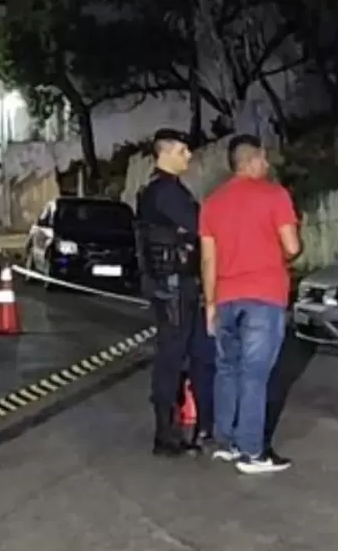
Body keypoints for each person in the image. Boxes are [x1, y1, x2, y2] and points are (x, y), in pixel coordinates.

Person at [200, 134, 301, 475]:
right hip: (264, 295)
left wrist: (210, 303)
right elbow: (292, 247)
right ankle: (252, 451)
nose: (268, 164)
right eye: (264, 158)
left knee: (227, 369)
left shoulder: (212, 203)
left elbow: (208, 260)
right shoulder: (275, 195)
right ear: (253, 160)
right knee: (255, 375)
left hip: (226, 298)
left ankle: (226, 441)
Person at [135, 128, 215, 457]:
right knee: (172, 358)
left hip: (180, 283)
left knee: (196, 354)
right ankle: (166, 434)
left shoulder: (165, 189)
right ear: (165, 153)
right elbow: (201, 225)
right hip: (173, 285)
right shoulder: (165, 191)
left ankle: (200, 425)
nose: (188, 157)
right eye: (183, 151)